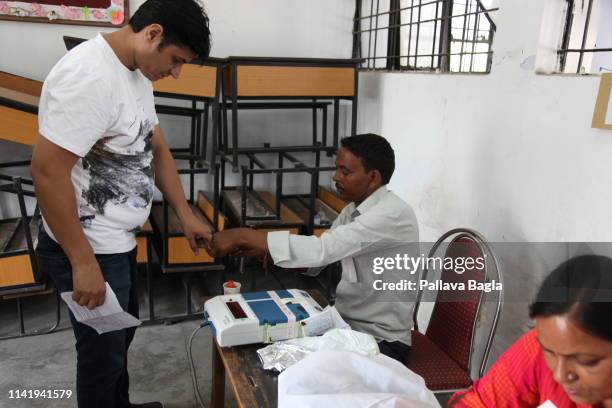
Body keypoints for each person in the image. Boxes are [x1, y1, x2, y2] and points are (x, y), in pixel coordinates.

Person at [31, 1, 212, 407]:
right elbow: (46, 172)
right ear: (152, 33)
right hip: (87, 248)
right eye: (176, 60)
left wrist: (185, 213)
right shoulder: (88, 77)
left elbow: (157, 146)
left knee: (118, 340)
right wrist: (82, 262)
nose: (176, 73)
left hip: (117, 241)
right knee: (101, 355)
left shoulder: (135, 71)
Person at [208, 133, 419, 363]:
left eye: (345, 172)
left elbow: (322, 249)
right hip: (345, 325)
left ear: (373, 177)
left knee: (281, 364)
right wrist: (265, 251)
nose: (335, 177)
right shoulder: (354, 210)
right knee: (262, 344)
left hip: (381, 342)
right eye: (336, 169)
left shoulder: (390, 214)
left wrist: (244, 235)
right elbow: (319, 261)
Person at [450, 255, 612, 407]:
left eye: (585, 361)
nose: (560, 375)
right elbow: (478, 403)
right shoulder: (541, 346)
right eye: (550, 353)